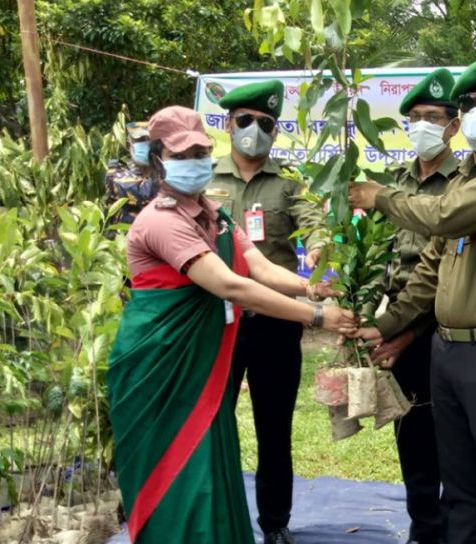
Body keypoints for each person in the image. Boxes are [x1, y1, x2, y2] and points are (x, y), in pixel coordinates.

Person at [107, 106, 356, 544]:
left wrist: (314, 289)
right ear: (159, 159)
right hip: (163, 364)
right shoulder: (162, 221)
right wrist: (317, 316)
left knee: (211, 457)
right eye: (184, 153)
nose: (197, 160)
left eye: (202, 150)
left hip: (203, 360)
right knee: (177, 470)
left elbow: (257, 266)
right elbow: (231, 285)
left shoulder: (215, 216)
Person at [349, 51, 476, 544]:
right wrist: (388, 324)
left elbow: (444, 217)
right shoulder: (464, 178)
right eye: (472, 102)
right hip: (448, 350)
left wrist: (380, 197)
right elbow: (429, 270)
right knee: (460, 489)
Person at [205, 80, 325, 544]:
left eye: (265, 123)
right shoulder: (205, 179)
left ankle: (274, 523)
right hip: (217, 323)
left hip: (275, 322)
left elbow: (315, 224)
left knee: (274, 427)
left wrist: (318, 250)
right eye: (245, 121)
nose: (254, 130)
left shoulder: (289, 182)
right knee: (215, 423)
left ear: (275, 130)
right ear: (228, 124)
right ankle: (217, 517)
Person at [364, 68, 460, 544]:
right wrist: (369, 317)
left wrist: (404, 332)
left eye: (434, 117)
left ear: (453, 125)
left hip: (444, 326)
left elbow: (444, 269)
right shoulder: (395, 182)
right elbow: (381, 254)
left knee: (455, 437)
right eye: (415, 117)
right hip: (398, 320)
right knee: (413, 433)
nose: (423, 124)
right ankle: (425, 527)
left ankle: (456, 525)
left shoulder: (465, 182)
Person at [104, 121, 159, 229]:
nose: (146, 144)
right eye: (140, 140)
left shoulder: (161, 171)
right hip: (123, 241)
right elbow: (145, 193)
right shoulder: (117, 172)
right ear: (129, 144)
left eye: (150, 140)